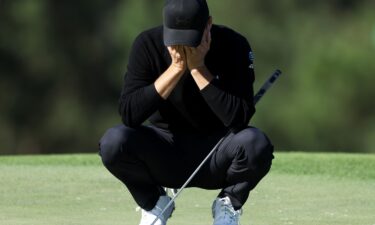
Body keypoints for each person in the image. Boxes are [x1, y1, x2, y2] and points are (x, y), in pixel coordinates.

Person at [99, 0, 274, 224]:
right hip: (164, 150)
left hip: (218, 152)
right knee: (113, 142)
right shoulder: (147, 44)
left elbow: (238, 119)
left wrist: (198, 68)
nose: (183, 46)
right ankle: (154, 203)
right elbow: (130, 115)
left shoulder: (234, 44)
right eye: (176, 38)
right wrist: (177, 68)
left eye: (191, 38)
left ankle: (228, 204)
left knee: (256, 144)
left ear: (208, 25)